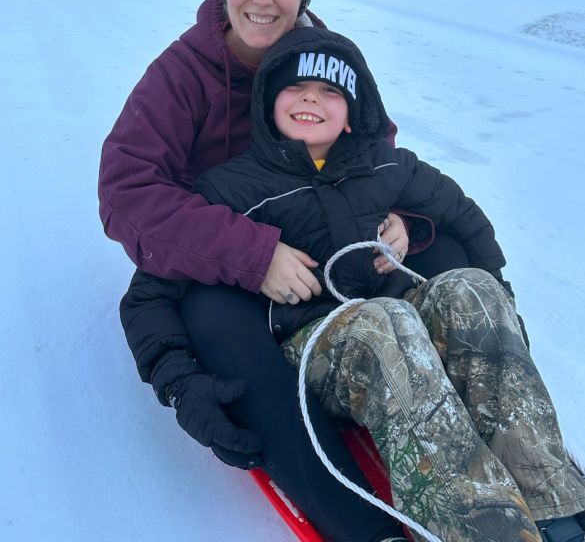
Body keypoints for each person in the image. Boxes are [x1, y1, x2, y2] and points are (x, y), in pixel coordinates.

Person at [119, 27, 585, 542]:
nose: (312, 100)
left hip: (397, 322)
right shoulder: (232, 187)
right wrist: (181, 384)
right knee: (387, 323)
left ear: (352, 113)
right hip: (318, 350)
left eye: (331, 91)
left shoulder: (386, 165)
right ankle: (484, 530)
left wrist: (499, 293)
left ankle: (554, 507)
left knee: (467, 288)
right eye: (296, 89)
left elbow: (464, 215)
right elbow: (149, 293)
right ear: (269, 101)